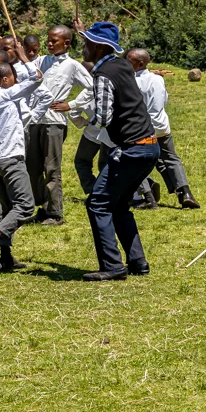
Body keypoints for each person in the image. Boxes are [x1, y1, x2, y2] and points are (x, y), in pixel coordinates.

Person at [70, 21, 160, 281]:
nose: (83, 47)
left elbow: (103, 117)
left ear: (99, 47)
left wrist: (79, 117)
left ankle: (112, 266)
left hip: (132, 149)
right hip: (149, 147)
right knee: (119, 204)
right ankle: (138, 262)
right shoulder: (121, 65)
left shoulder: (103, 74)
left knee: (97, 203)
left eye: (87, 42)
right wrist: (82, 30)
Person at [0, 59, 41, 272]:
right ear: (5, 80)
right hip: (11, 158)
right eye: (14, 77)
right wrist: (26, 60)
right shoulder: (6, 94)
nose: (17, 80)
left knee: (9, 209)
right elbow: (37, 79)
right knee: (25, 205)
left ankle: (6, 258)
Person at [25, 25, 92, 225]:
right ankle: (42, 206)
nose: (50, 43)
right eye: (48, 40)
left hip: (54, 121)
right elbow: (25, 69)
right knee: (32, 167)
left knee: (51, 167)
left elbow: (92, 86)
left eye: (54, 41)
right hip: (34, 119)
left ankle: (55, 213)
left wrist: (71, 105)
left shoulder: (72, 65)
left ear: (66, 43)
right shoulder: (41, 61)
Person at [127, 49, 199, 209]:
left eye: (129, 61)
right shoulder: (158, 79)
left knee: (135, 160)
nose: (125, 64)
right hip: (161, 125)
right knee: (171, 158)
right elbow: (164, 99)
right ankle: (185, 193)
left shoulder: (132, 82)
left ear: (140, 63)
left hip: (142, 128)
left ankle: (147, 196)